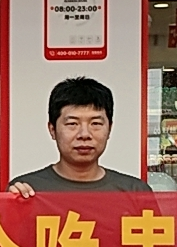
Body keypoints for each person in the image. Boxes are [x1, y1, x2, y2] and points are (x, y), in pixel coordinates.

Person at [8, 76, 151, 196]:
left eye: (95, 123)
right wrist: (13, 204)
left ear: (110, 129)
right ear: (52, 130)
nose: (84, 134)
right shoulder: (28, 190)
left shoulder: (135, 191)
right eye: (72, 124)